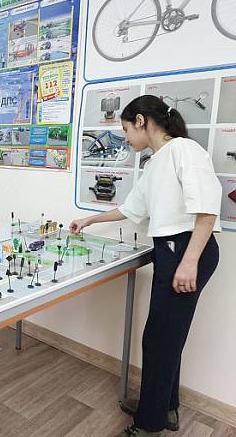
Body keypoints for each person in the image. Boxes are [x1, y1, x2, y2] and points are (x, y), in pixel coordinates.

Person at [69, 95, 221, 437]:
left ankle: (149, 424)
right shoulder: (155, 163)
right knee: (167, 336)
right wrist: (88, 220)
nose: (125, 138)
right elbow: (130, 209)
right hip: (172, 251)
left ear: (141, 121)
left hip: (187, 251)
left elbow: (207, 210)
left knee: (159, 339)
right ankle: (165, 407)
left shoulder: (185, 150)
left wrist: (189, 262)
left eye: (126, 129)